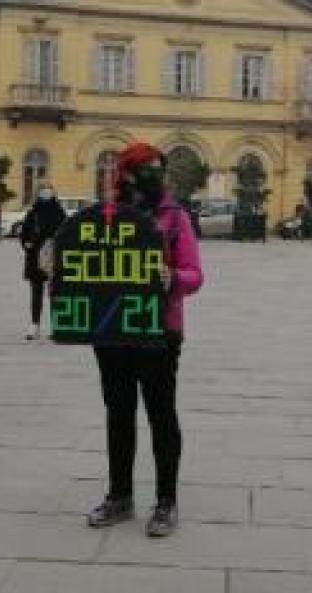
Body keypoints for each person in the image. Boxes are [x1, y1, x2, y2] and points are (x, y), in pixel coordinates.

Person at [85, 142, 203, 538]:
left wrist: (175, 279)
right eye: (149, 168)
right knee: (118, 414)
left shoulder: (175, 217)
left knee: (161, 414)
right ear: (129, 174)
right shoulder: (104, 215)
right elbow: (83, 265)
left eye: (160, 167)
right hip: (112, 331)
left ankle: (166, 501)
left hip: (159, 332)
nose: (157, 175)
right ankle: (120, 496)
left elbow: (194, 273)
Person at [19, 183, 67, 340]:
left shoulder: (60, 213)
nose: (46, 193)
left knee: (55, 293)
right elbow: (24, 233)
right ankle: (34, 325)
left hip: (54, 257)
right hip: (34, 256)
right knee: (36, 292)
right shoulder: (33, 213)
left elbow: (66, 234)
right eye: (43, 190)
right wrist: (26, 243)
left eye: (48, 190)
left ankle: (57, 326)